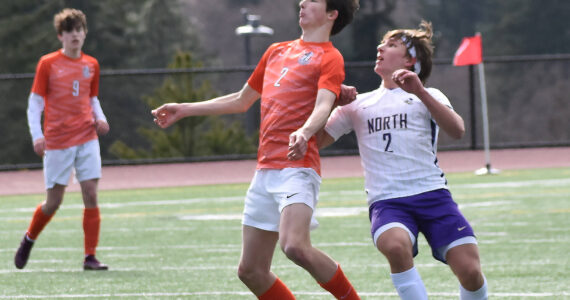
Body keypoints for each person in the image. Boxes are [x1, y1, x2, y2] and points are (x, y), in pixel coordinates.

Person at [152, 0, 360, 298]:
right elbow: (241, 99)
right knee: (250, 271)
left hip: (297, 169)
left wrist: (304, 131)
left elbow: (324, 105)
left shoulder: (330, 57)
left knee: (295, 247)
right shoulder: (276, 50)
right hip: (265, 172)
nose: (301, 2)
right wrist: (183, 109)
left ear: (332, 14)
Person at [312, 21, 489, 299]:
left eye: (392, 45)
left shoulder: (429, 95)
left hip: (433, 196)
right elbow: (317, 141)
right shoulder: (359, 104)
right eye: (382, 43)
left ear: (410, 59)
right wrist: (331, 102)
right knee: (395, 246)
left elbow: (457, 130)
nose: (380, 47)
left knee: (471, 272)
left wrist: (419, 91)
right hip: (388, 201)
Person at [15, 8, 110, 271]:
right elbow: (34, 104)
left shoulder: (92, 64)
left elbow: (92, 98)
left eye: (79, 30)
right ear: (61, 36)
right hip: (58, 141)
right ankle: (29, 238)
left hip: (87, 137)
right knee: (53, 202)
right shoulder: (48, 64)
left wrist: (100, 118)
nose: (75, 35)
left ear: (85, 33)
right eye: (70, 31)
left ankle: (90, 257)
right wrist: (38, 135)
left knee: (91, 193)